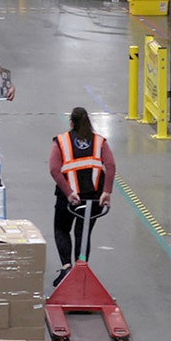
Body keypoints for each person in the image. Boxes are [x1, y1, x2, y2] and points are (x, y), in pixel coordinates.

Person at [49, 107, 116, 286]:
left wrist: (69, 192)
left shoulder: (62, 141)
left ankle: (66, 266)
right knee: (83, 233)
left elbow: (54, 169)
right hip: (94, 198)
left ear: (71, 122)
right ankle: (81, 267)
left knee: (62, 229)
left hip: (68, 198)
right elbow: (110, 166)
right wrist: (106, 192)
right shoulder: (100, 142)